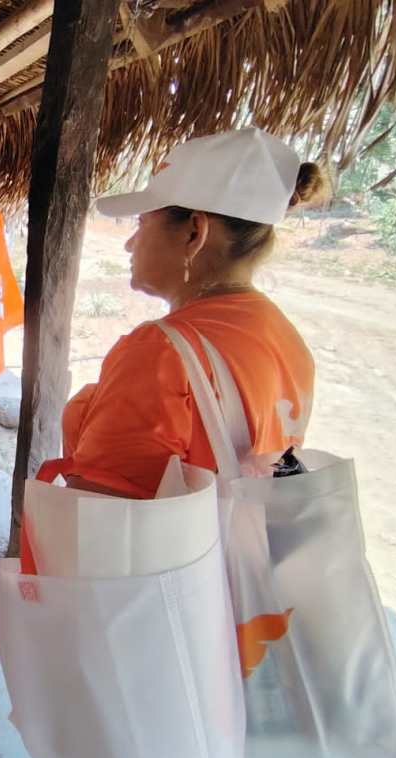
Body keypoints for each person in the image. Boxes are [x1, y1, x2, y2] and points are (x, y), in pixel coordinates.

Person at [63, 128, 329, 497]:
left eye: (141, 224)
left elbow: (96, 519)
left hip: (170, 556)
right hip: (242, 549)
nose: (129, 244)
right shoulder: (285, 338)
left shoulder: (160, 350)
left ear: (194, 232)